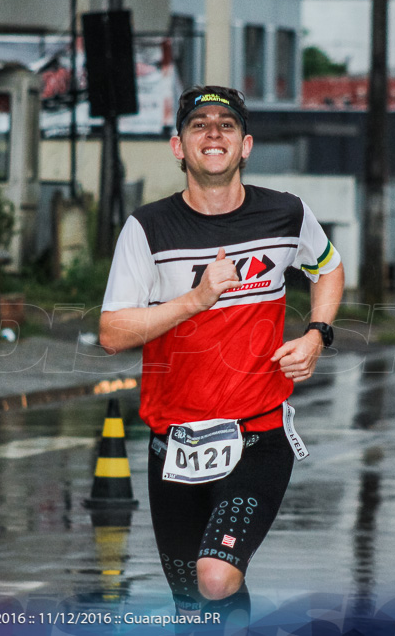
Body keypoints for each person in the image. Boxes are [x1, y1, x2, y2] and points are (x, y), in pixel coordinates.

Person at [99, 86, 345, 617]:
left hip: (257, 432)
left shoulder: (286, 214)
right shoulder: (147, 228)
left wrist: (317, 333)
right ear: (178, 146)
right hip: (174, 441)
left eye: (226, 125)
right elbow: (113, 332)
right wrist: (195, 299)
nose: (214, 133)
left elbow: (328, 266)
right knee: (192, 602)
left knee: (215, 576)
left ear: (246, 144)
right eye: (199, 125)